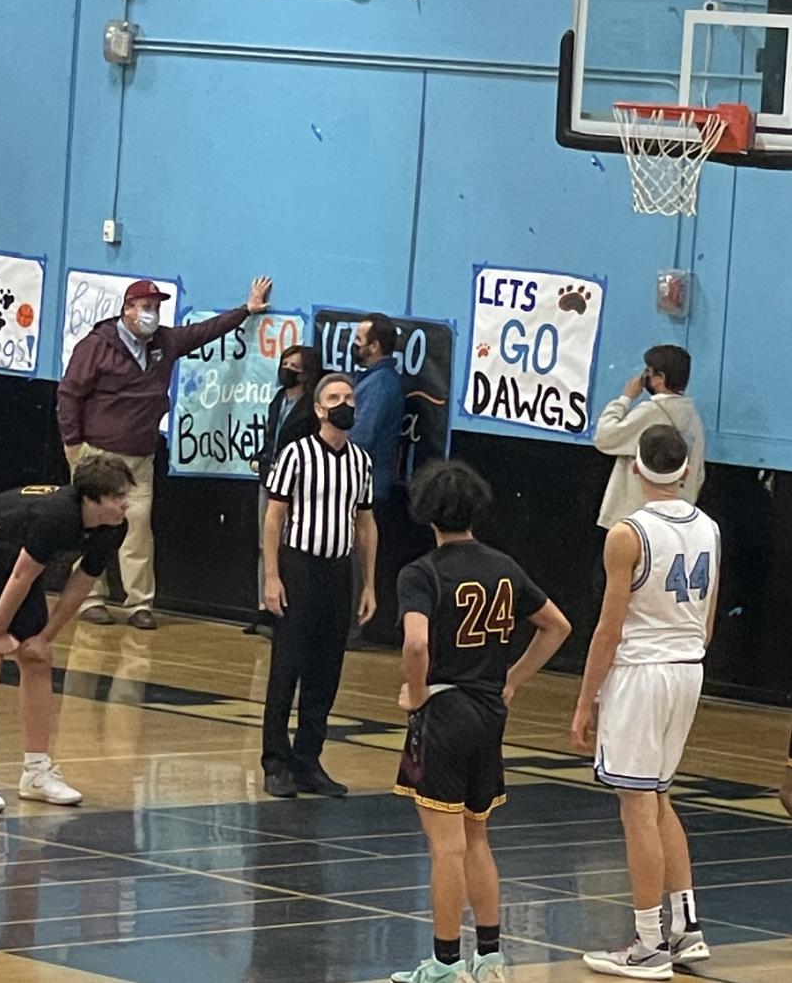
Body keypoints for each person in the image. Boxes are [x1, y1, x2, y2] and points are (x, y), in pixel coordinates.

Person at [391, 460, 571, 983]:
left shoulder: (420, 573)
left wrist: (417, 693)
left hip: (444, 713)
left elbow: (417, 641)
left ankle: (445, 965)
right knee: (477, 839)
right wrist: (512, 679)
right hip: (490, 713)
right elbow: (557, 626)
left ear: (426, 513)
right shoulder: (504, 567)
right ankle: (490, 959)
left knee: (445, 845)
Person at [572, 424, 720, 979]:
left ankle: (649, 943)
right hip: (688, 668)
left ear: (635, 466)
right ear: (683, 469)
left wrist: (587, 699)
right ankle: (687, 930)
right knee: (658, 798)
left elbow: (608, 629)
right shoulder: (709, 527)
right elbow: (707, 623)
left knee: (636, 806)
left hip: (642, 672)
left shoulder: (627, 534)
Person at [57, 275, 273, 630]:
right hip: (97, 454)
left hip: (140, 456)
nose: (152, 314)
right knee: (91, 527)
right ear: (127, 310)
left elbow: (205, 331)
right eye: (145, 307)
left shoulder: (165, 342)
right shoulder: (97, 345)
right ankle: (90, 598)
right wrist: (72, 442)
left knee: (139, 528)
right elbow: (69, 393)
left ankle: (139, 603)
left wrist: (246, 310)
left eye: (156, 308)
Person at [0, 450, 132, 813]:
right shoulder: (56, 516)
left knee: (38, 659)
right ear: (90, 499)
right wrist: (0, 632)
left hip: (19, 571)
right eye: (116, 497)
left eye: (126, 496)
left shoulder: (115, 527)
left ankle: (36, 771)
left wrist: (46, 636)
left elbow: (81, 583)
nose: (124, 505)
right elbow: (21, 575)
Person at [260, 373, 378, 799]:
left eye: (349, 396)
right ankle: (275, 762)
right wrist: (272, 576)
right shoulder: (296, 455)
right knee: (286, 668)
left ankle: (308, 760)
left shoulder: (361, 460)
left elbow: (365, 523)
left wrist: (369, 584)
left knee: (326, 672)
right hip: (299, 567)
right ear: (319, 408)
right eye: (334, 397)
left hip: (338, 570)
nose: (343, 403)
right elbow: (274, 517)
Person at [246, 343, 322, 635]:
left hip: (297, 484)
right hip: (269, 476)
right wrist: (261, 458)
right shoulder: (278, 398)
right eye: (285, 364)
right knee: (265, 544)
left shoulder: (310, 406)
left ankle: (286, 609)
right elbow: (271, 436)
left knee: (288, 546)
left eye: (294, 367)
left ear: (306, 374)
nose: (287, 370)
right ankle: (263, 607)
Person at [593, 346, 705, 531]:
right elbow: (699, 475)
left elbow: (605, 437)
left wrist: (625, 398)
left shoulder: (651, 412)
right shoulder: (693, 418)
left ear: (660, 378)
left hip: (634, 518)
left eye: (647, 372)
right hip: (675, 521)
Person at [351, 314, 408, 643]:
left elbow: (362, 434)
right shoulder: (372, 379)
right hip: (367, 481)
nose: (355, 345)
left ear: (374, 346)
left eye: (359, 340)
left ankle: (351, 626)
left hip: (368, 483)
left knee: (360, 554)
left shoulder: (381, 384)